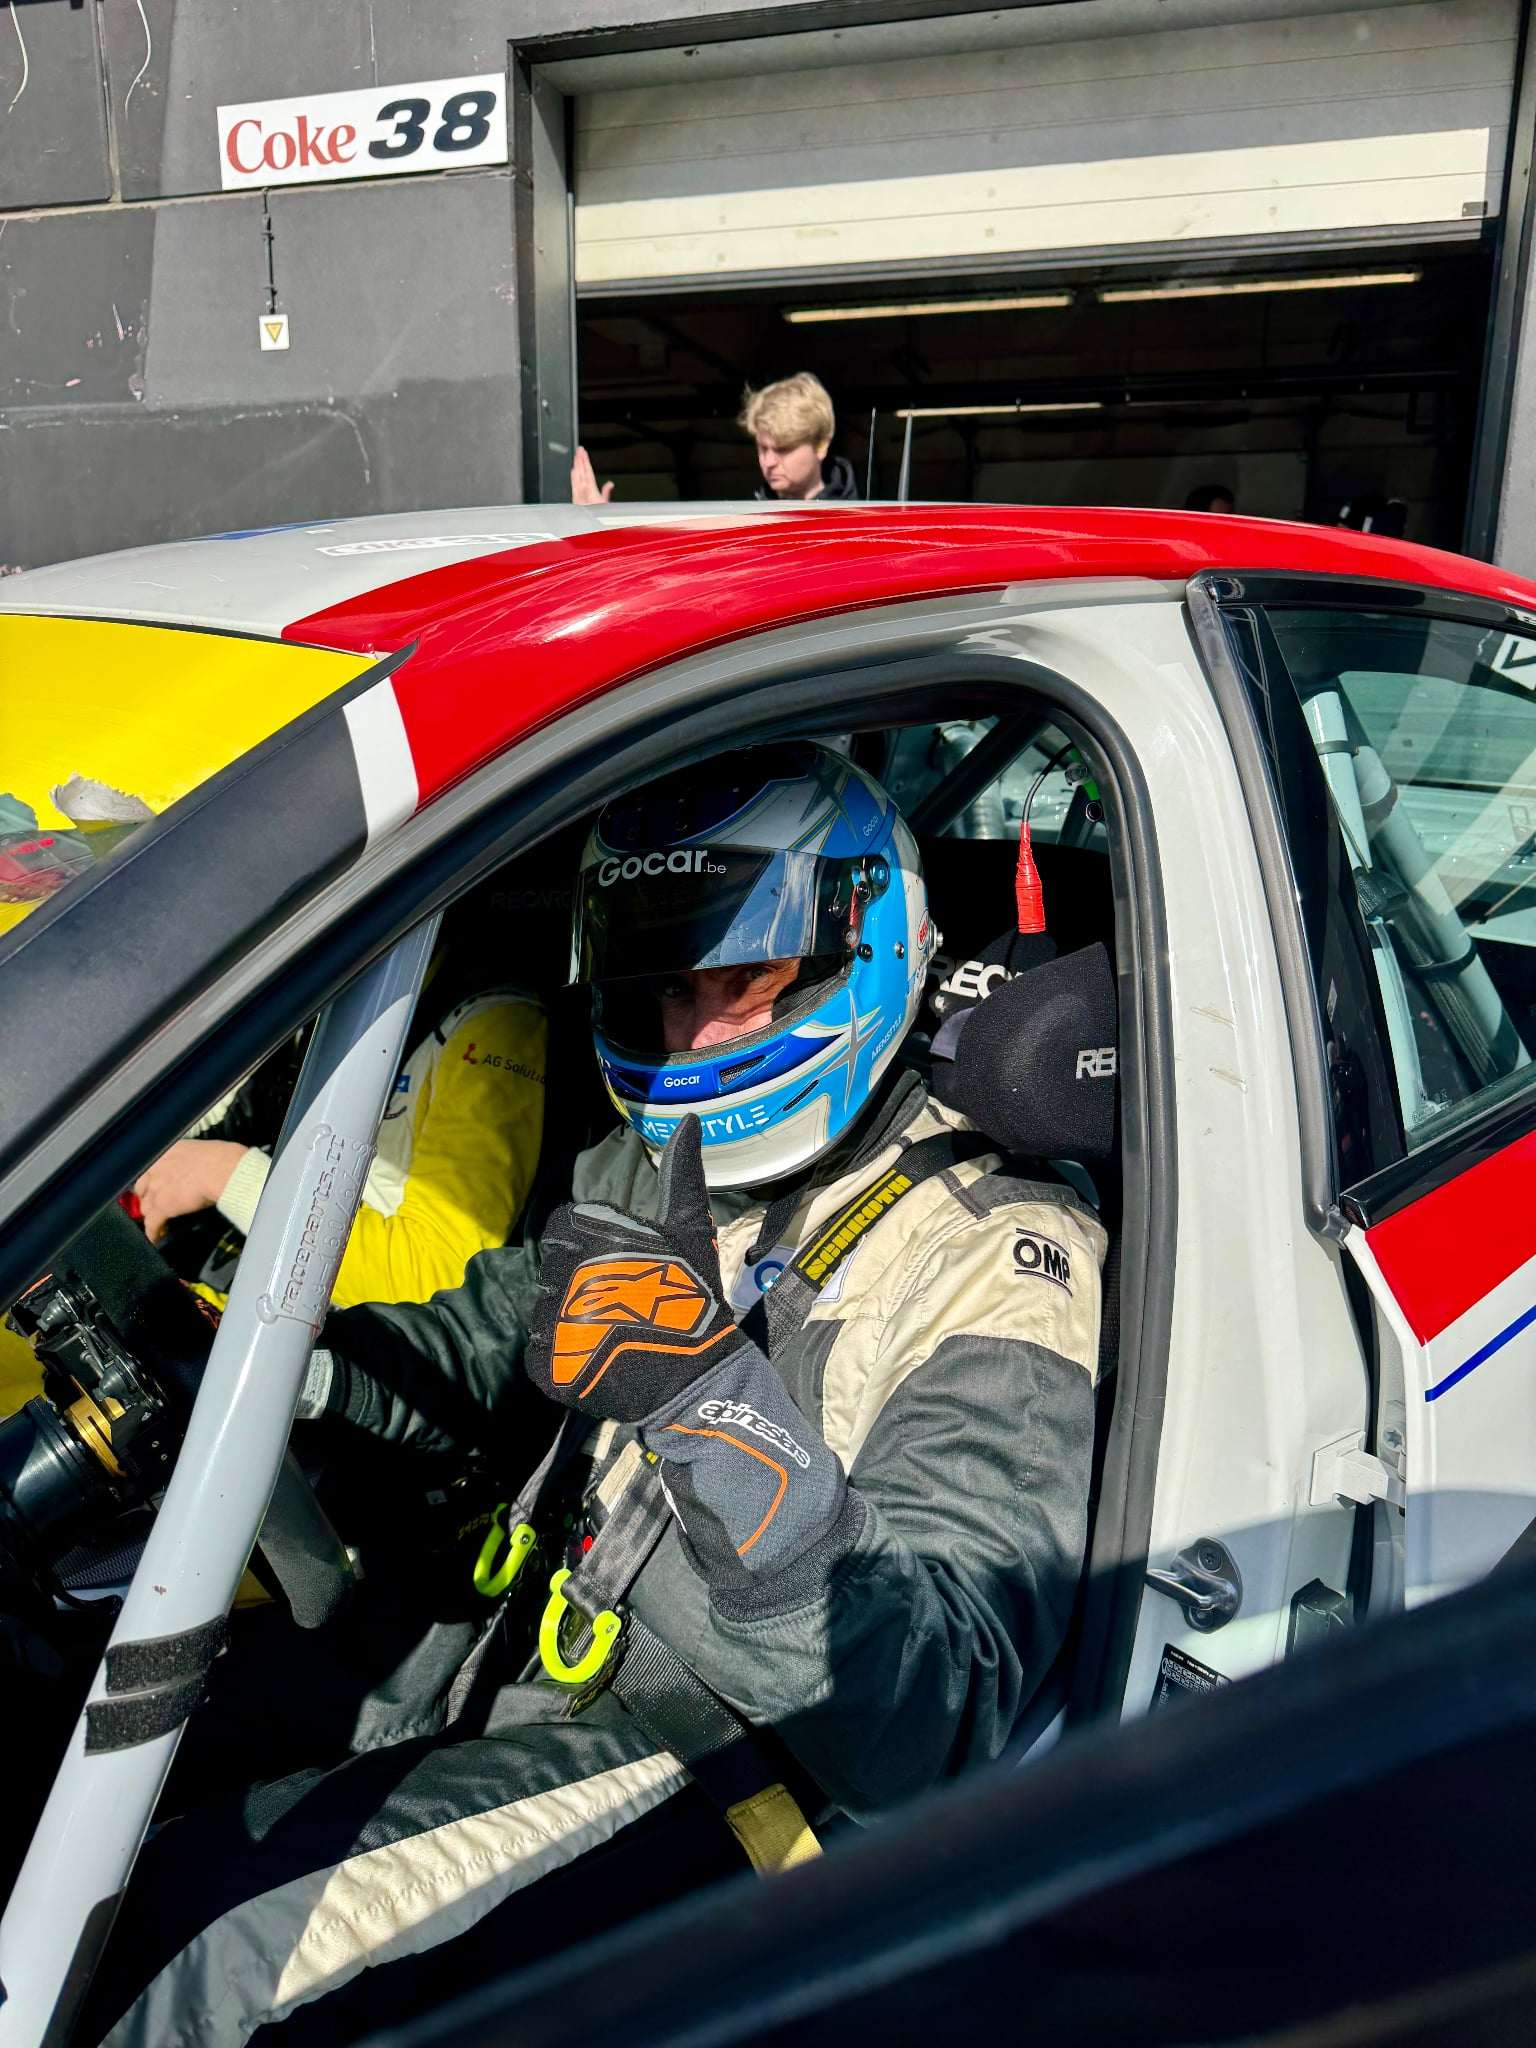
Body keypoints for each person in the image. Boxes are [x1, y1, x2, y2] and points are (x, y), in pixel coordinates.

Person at [87, 741, 1105, 2048]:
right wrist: (294, 1375)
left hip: (723, 1763)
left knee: (197, 1953)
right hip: (517, 1653)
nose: (695, 1034)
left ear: (865, 945)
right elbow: (491, 1331)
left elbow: (933, 1712)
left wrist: (708, 1401)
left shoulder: (998, 1254)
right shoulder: (654, 1161)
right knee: (98, 1768)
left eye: (744, 978)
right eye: (666, 985)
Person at [131, 975, 548, 1313]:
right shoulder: (321, 995)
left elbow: (442, 1278)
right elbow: (245, 1110)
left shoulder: (494, 1025)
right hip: (232, 1297)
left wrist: (225, 1175)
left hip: (339, 1357)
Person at [571, 371, 859, 507]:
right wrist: (600, 527)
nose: (769, 461)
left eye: (783, 449)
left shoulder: (862, 527)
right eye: (762, 448)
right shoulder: (749, 521)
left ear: (821, 445)